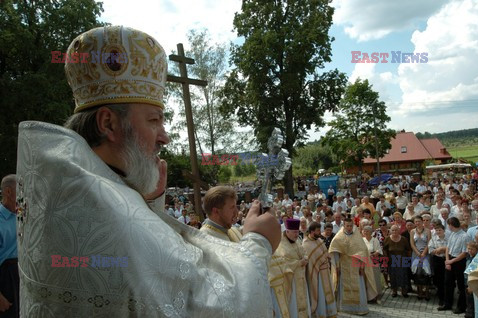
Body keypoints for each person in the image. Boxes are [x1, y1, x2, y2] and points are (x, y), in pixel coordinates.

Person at [16, 26, 281, 317]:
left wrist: (146, 204)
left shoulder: (62, 191)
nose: (164, 136)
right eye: (154, 120)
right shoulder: (110, 213)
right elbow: (206, 304)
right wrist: (258, 243)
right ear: (108, 124)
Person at [329, 219, 377, 315]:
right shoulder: (338, 237)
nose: (349, 228)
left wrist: (362, 267)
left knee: (358, 286)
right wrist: (337, 267)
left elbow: (363, 253)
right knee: (344, 286)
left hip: (356, 266)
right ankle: (344, 308)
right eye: (347, 226)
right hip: (344, 266)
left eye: (351, 226)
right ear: (344, 226)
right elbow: (335, 253)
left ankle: (359, 308)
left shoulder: (357, 237)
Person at [269, 219, 310, 318]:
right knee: (293, 304)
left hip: (300, 277)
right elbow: (283, 261)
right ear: (287, 231)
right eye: (294, 232)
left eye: (297, 232)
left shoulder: (297, 241)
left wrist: (305, 258)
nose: (296, 234)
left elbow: (304, 252)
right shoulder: (281, 245)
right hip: (291, 281)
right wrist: (299, 263)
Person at [302, 222, 337, 318]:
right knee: (320, 294)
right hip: (317, 274)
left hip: (325, 271)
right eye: (318, 230)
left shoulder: (319, 240)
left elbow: (325, 253)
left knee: (327, 293)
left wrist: (328, 257)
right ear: (312, 231)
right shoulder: (306, 244)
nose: (320, 232)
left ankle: (328, 312)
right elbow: (311, 260)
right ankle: (320, 313)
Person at [439, 217, 469, 314]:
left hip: (459, 261)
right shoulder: (452, 234)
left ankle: (461, 307)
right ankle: (447, 304)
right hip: (450, 259)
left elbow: (464, 253)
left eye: (449, 225)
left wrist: (452, 262)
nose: (448, 227)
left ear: (452, 225)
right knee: (448, 283)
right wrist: (447, 260)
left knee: (461, 285)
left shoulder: (464, 236)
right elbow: (448, 247)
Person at [0, 175, 19, 318]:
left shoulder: (23, 215)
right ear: (8, 192)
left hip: (22, 276)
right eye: (21, 191)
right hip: (5, 279)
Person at [383, 224, 411, 298]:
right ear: (390, 231)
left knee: (403, 275)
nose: (394, 231)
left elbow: (408, 250)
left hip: (403, 260)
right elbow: (385, 249)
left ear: (399, 231)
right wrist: (386, 258)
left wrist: (408, 260)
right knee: (393, 276)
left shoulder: (404, 239)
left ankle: (404, 291)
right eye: (393, 230)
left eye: (396, 230)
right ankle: (394, 290)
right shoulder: (387, 239)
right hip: (392, 260)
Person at [410, 215, 431, 300]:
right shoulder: (412, 231)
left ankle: (426, 292)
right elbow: (412, 243)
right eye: (416, 222)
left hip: (426, 254)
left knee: (426, 273)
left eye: (419, 221)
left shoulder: (428, 231)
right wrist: (418, 253)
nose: (417, 223)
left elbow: (429, 243)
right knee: (417, 273)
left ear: (422, 222)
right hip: (416, 254)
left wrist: (423, 253)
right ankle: (419, 291)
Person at [428, 224, 448, 307]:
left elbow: (450, 248)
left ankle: (447, 297)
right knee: (439, 280)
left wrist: (443, 249)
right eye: (437, 230)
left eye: (440, 230)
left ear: (444, 230)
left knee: (447, 280)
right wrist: (438, 250)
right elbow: (430, 250)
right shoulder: (433, 239)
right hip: (437, 260)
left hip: (446, 260)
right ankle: (441, 298)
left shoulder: (448, 239)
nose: (438, 232)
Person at [362, 226, 383, 301]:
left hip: (373, 260)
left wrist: (374, 254)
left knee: (375, 277)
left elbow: (379, 250)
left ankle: (375, 295)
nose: (365, 232)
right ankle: (367, 296)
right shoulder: (362, 240)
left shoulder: (375, 240)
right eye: (364, 231)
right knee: (366, 278)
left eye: (367, 231)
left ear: (371, 232)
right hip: (364, 261)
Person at [465, 242, 478, 318]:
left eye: (472, 249)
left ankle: (471, 314)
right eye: (468, 249)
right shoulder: (468, 256)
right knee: (468, 299)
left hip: (472, 283)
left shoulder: (476, 259)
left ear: (476, 250)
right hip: (466, 281)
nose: (469, 251)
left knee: (472, 300)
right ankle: (469, 312)